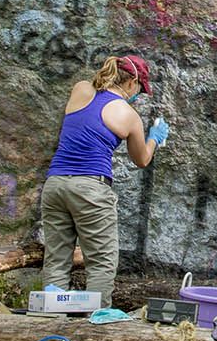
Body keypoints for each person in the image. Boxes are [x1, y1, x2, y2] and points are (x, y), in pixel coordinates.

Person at [38, 53, 169, 308]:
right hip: (91, 188)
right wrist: (154, 138)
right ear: (132, 82)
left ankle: (51, 321)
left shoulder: (81, 89)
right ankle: (96, 323)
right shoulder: (128, 115)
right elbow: (141, 159)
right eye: (140, 90)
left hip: (55, 185)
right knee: (101, 261)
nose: (138, 96)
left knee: (56, 259)